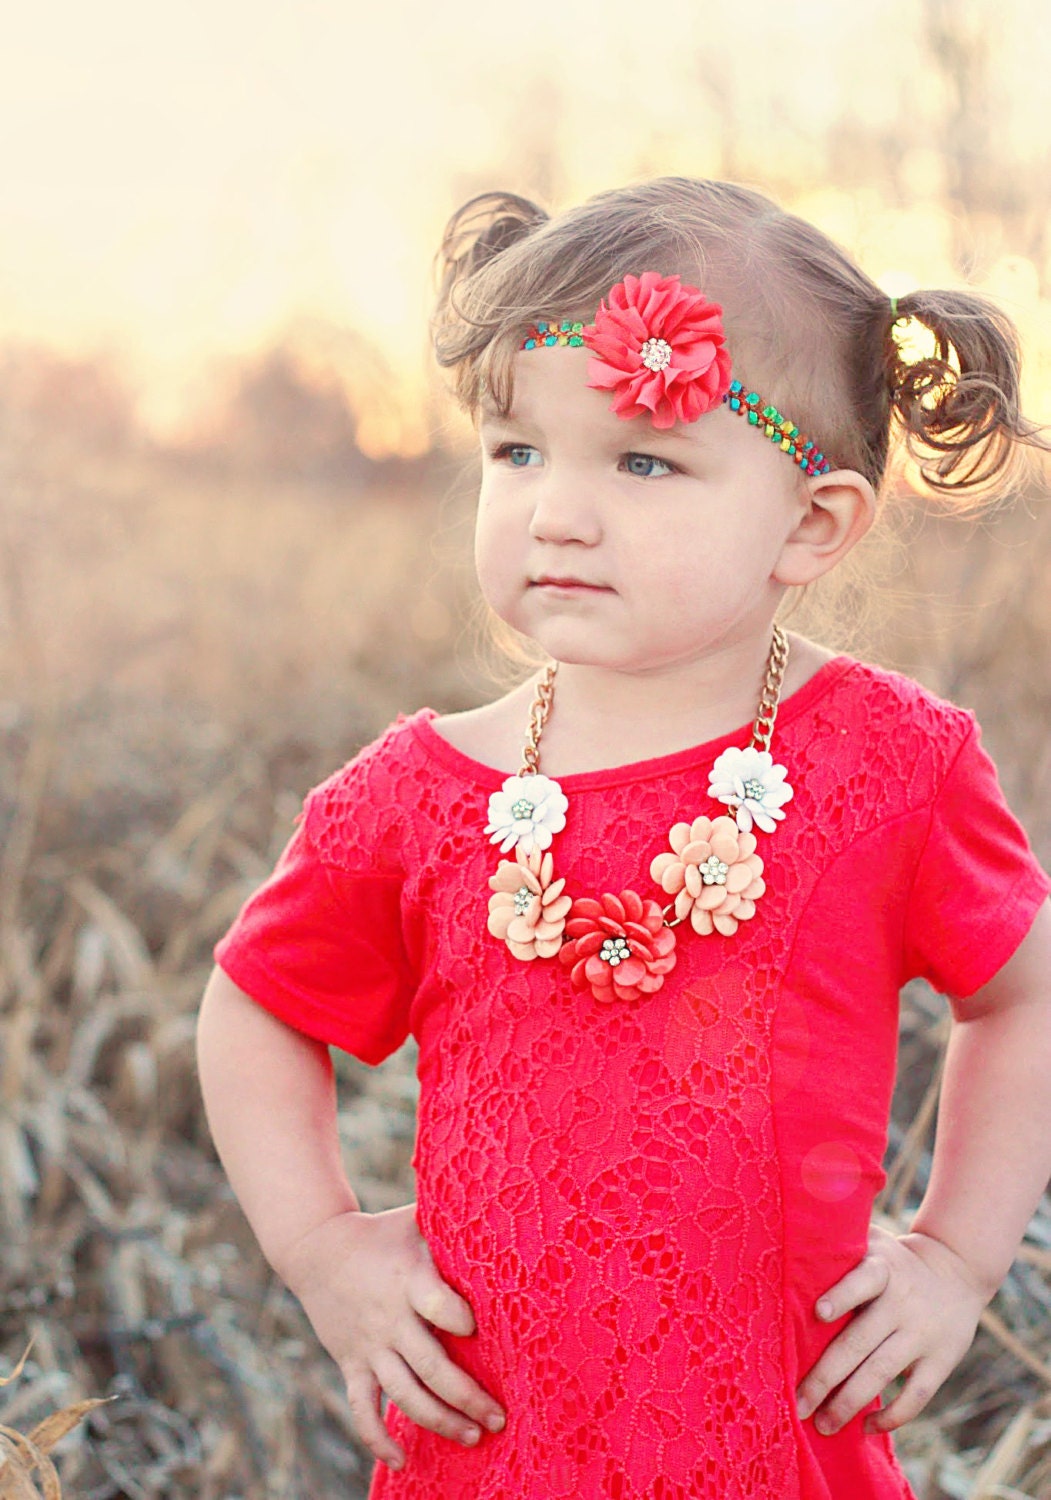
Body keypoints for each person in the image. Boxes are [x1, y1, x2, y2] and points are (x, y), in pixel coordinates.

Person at [196, 178, 1051, 1500]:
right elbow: (254, 1007)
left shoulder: (889, 764)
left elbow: (1028, 992)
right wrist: (323, 1250)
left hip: (773, 1439)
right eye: (518, 451)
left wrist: (952, 1259)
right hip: (494, 1448)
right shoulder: (418, 797)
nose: (558, 512)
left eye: (644, 461)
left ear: (810, 524)